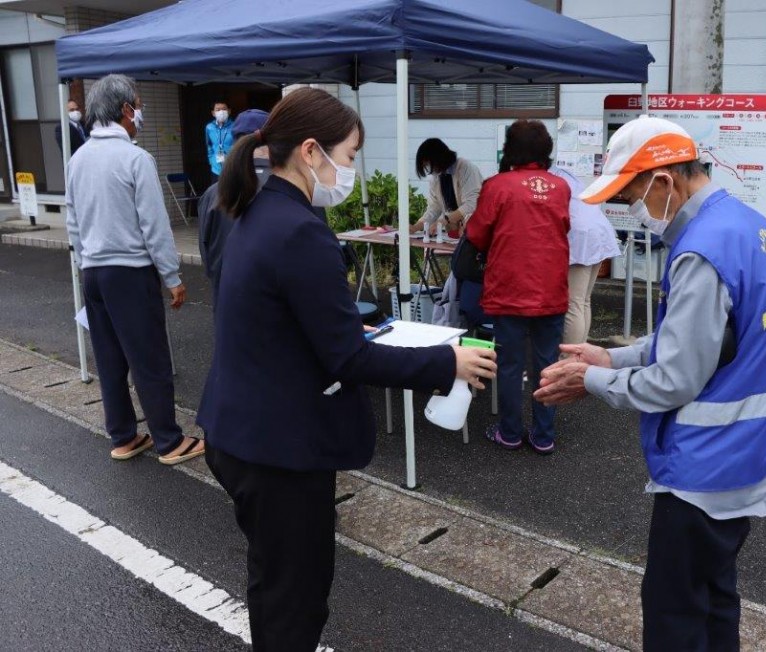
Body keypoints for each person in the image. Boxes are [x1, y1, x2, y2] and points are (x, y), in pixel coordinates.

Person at [197, 87, 497, 651]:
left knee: (274, 581)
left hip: (240, 430)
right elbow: (349, 359)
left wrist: (335, 327)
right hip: (279, 450)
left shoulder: (255, 210)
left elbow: (276, 319)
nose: (352, 169)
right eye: (352, 154)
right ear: (311, 152)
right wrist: (446, 360)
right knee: (298, 598)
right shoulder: (300, 229)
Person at [534, 116, 766, 650]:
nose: (633, 208)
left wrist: (591, 381)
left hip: (705, 467)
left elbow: (675, 378)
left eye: (631, 194)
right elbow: (709, 342)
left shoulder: (703, 251)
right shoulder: (749, 226)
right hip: (750, 454)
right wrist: (611, 357)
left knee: (674, 613)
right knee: (715, 595)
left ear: (664, 181)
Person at [65, 74, 203, 466]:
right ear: (126, 110)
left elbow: (73, 224)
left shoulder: (77, 160)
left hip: (92, 271)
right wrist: (172, 277)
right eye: (137, 106)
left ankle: (123, 436)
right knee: (149, 357)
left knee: (109, 358)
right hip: (130, 272)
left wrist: (85, 262)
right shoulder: (135, 158)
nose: (139, 113)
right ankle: (168, 440)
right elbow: (154, 226)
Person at [466, 119, 570, 455]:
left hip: (509, 288)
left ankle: (509, 432)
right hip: (551, 289)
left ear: (511, 150)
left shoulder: (497, 186)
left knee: (510, 364)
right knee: (547, 364)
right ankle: (543, 436)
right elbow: (563, 226)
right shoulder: (560, 187)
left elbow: (477, 234)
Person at [197, 109, 271, 300]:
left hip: (227, 304)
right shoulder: (292, 188)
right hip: (277, 310)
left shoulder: (212, 194)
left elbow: (207, 253)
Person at [549, 166, 620, 345]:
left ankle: (567, 358)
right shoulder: (564, 173)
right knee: (583, 300)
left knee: (573, 303)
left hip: (580, 236)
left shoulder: (547, 178)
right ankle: (579, 353)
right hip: (598, 230)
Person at [409, 138, 482, 237]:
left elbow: (472, 204)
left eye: (428, 164)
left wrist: (444, 220)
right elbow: (434, 208)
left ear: (438, 158)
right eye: (426, 166)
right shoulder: (436, 177)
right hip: (453, 233)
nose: (429, 169)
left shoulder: (465, 168)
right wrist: (416, 226)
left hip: (473, 231)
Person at [205, 101, 234, 182]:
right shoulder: (209, 127)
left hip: (232, 167)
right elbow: (209, 145)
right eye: (218, 110)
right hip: (216, 168)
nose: (221, 112)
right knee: (216, 192)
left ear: (229, 111)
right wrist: (211, 160)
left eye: (224, 109)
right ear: (213, 113)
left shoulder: (235, 127)